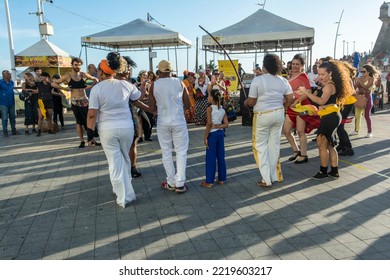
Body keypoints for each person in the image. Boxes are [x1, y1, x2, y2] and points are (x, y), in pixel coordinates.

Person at [87, 52, 144, 208]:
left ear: (100, 72)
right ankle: (125, 190)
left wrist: (90, 135)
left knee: (114, 161)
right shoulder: (126, 84)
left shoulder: (97, 89)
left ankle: (122, 195)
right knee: (125, 158)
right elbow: (139, 97)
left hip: (107, 130)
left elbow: (92, 115)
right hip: (126, 128)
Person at [244, 54, 294, 187]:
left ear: (265, 66)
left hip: (262, 115)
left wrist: (245, 103)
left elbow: (252, 101)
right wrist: (282, 107)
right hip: (278, 114)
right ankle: (275, 175)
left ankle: (266, 179)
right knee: (274, 145)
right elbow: (290, 99)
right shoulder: (283, 81)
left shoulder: (258, 80)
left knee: (259, 146)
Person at [299, 60, 353, 179]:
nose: (320, 77)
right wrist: (317, 85)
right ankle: (334, 171)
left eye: (323, 74)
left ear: (331, 73)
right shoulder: (329, 84)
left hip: (330, 117)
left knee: (322, 144)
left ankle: (323, 171)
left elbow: (321, 101)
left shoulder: (329, 85)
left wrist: (307, 93)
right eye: (319, 74)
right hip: (331, 116)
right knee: (329, 145)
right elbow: (322, 99)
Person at [148, 59, 191, 193]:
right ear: (171, 71)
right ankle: (180, 183)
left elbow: (151, 107)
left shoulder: (154, 85)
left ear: (159, 71)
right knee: (181, 151)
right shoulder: (179, 82)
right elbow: (188, 104)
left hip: (163, 121)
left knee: (166, 152)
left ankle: (171, 181)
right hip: (178, 120)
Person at [52, 57, 99, 148]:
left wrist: (90, 86)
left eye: (79, 65)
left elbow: (95, 79)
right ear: (72, 65)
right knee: (79, 122)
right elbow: (53, 83)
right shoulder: (67, 76)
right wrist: (65, 88)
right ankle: (82, 141)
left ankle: (92, 139)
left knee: (89, 120)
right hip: (75, 101)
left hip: (84, 100)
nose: (77, 66)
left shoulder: (82, 74)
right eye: (76, 65)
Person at [283, 54, 315, 164]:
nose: (295, 66)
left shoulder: (303, 76)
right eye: (293, 64)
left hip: (301, 106)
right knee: (286, 130)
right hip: (291, 107)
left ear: (302, 66)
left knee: (301, 131)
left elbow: (308, 92)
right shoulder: (289, 76)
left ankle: (304, 154)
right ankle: (296, 150)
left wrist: (296, 101)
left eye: (297, 64)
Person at [201, 89, 229, 188]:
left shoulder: (210, 109)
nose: (208, 97)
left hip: (212, 134)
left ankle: (209, 181)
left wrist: (205, 136)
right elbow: (226, 124)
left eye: (209, 95)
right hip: (220, 134)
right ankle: (222, 179)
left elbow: (209, 123)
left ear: (212, 97)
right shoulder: (222, 109)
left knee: (211, 157)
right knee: (221, 156)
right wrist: (219, 126)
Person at [350, 64, 380, 138]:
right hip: (359, 98)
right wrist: (353, 81)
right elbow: (354, 87)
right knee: (357, 115)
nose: (362, 73)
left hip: (367, 99)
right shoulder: (360, 78)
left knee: (367, 115)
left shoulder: (371, 79)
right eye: (361, 71)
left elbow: (367, 87)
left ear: (369, 72)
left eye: (364, 71)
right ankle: (356, 130)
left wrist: (359, 81)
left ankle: (369, 131)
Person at [0, 70, 20, 137]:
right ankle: (5, 132)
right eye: (8, 74)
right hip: (3, 102)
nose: (9, 75)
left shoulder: (11, 82)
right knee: (5, 118)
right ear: (4, 75)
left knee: (12, 117)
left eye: (9, 74)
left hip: (11, 102)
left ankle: (13, 130)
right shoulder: (0, 82)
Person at [36, 72, 55, 136]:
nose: (41, 77)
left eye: (42, 76)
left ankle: (49, 129)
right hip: (41, 101)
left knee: (49, 116)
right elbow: (31, 82)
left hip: (49, 101)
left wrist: (49, 81)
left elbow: (55, 85)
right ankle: (39, 130)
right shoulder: (38, 84)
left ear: (46, 77)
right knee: (40, 117)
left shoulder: (50, 84)